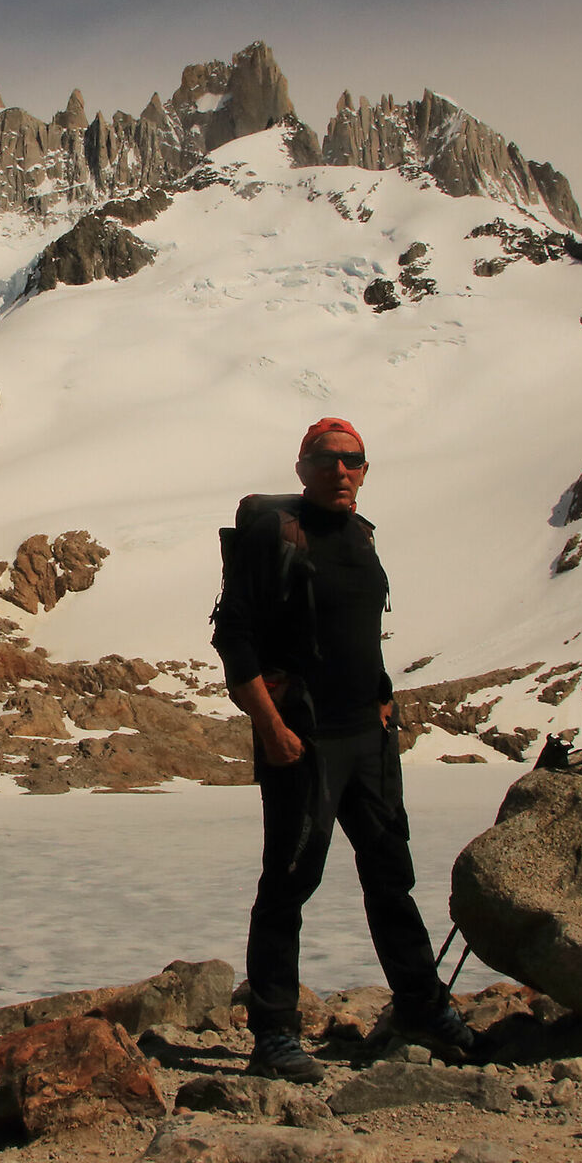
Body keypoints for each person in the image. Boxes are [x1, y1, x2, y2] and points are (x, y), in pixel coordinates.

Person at [210, 416, 481, 1081]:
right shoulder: (273, 536)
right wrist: (270, 727)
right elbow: (234, 638)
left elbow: (360, 631)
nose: (342, 471)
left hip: (368, 737)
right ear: (301, 469)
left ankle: (420, 1004)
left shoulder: (360, 538)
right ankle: (274, 1034)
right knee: (289, 882)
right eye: (327, 460)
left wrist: (384, 697)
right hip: (304, 740)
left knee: (391, 877)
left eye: (354, 460)